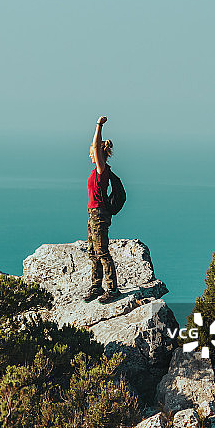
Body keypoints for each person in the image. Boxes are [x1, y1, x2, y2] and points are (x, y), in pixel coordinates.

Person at [85, 115, 120, 302]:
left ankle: (112, 289)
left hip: (99, 214)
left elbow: (97, 145)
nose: (90, 154)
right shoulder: (96, 171)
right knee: (93, 252)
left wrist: (99, 125)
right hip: (93, 213)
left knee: (102, 252)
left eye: (92, 152)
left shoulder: (102, 169)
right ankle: (96, 286)